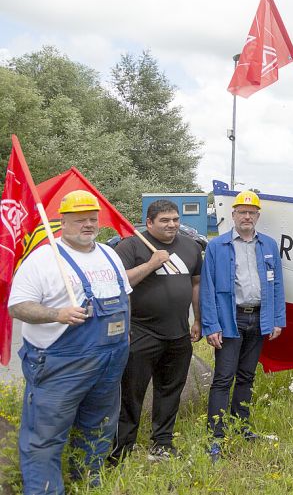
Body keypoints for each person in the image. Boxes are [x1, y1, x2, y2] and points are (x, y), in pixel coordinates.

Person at [8, 190, 133, 492]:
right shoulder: (42, 259)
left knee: (100, 426)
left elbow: (125, 297)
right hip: (61, 363)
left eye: (92, 219)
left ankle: (87, 482)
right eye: (79, 220)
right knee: (45, 436)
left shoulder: (109, 253)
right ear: (62, 221)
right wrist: (57, 313)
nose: (88, 225)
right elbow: (18, 306)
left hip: (110, 360)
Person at [110, 199, 204, 465]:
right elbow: (121, 281)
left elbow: (196, 284)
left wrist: (198, 319)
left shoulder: (190, 246)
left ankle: (162, 443)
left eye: (175, 219)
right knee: (131, 392)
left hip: (178, 334)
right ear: (149, 222)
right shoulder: (130, 245)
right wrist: (152, 263)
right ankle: (122, 449)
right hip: (141, 332)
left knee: (170, 390)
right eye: (164, 220)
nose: (172, 224)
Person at [201, 190, 286, 461]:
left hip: (259, 318)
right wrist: (210, 325)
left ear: (257, 216)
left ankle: (242, 427)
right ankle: (216, 434)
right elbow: (208, 288)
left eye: (251, 213)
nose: (247, 216)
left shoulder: (269, 245)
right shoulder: (218, 246)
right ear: (233, 215)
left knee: (247, 377)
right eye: (241, 212)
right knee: (224, 378)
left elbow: (278, 286)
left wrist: (277, 319)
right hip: (230, 319)